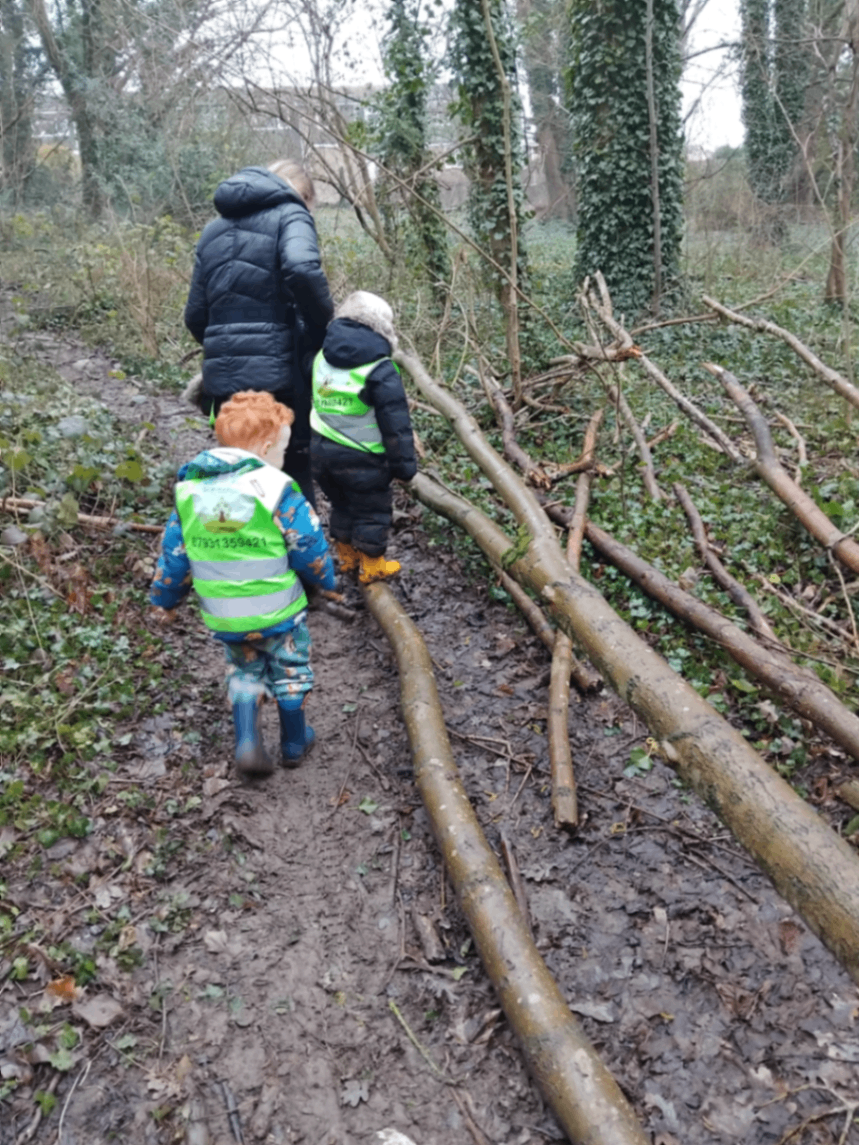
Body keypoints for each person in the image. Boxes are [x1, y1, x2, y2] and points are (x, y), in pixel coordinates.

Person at [150, 390, 336, 778]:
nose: (282, 456)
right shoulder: (276, 488)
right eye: (282, 448)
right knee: (291, 670)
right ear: (266, 447)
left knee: (245, 671)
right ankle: (294, 742)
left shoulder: (189, 493)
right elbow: (307, 544)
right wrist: (325, 580)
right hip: (279, 610)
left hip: (225, 616)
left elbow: (175, 556)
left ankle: (248, 742)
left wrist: (165, 600)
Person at [183, 160, 333, 505]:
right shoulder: (291, 215)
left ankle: (236, 540)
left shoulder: (212, 231)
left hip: (224, 381)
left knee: (239, 469)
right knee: (292, 467)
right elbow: (302, 269)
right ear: (303, 195)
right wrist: (319, 331)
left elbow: (194, 316)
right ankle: (297, 540)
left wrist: (225, 347)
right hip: (282, 375)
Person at [310, 291, 417, 584]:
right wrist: (404, 467)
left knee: (341, 503)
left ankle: (347, 557)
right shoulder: (380, 368)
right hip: (364, 457)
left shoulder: (321, 357)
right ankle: (371, 566)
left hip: (321, 450)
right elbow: (396, 425)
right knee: (372, 510)